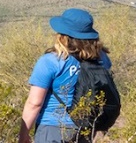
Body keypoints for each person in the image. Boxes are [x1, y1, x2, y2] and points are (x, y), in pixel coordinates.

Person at [18, 8, 114, 143]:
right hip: (86, 128)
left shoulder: (51, 61)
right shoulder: (102, 59)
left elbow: (35, 103)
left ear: (62, 35)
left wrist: (23, 134)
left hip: (51, 128)